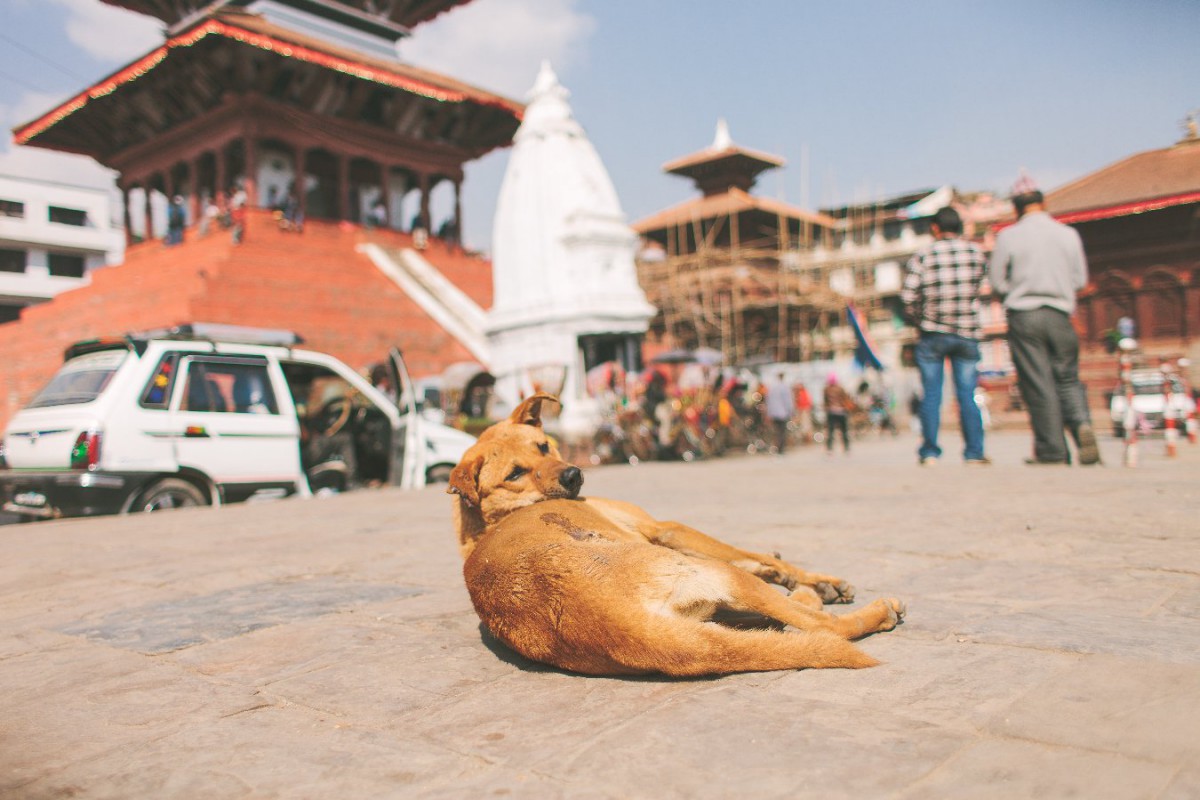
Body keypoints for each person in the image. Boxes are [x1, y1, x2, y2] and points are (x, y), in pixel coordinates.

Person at [988, 172, 1098, 465]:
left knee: (1038, 383)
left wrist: (1018, 288)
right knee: (1068, 379)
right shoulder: (1067, 234)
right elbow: (1080, 279)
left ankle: (1052, 450)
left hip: (1025, 315)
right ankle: (1082, 425)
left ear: (1016, 206)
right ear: (1043, 202)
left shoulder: (1008, 236)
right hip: (1060, 314)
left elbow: (997, 282)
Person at [900, 206, 990, 466]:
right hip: (967, 332)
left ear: (935, 228)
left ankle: (930, 452)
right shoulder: (975, 253)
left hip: (932, 333)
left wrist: (920, 319)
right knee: (967, 394)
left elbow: (907, 297)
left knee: (931, 395)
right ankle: (974, 452)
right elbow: (979, 287)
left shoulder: (924, 255)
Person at [763, 371, 796, 454]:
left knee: (776, 431)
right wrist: (791, 411)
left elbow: (768, 401)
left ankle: (776, 446)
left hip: (773, 413)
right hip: (783, 413)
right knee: (782, 431)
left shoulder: (772, 387)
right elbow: (788, 401)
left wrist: (769, 412)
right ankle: (781, 449)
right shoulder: (785, 387)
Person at [823, 373, 853, 454]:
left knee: (830, 431)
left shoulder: (826, 389)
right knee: (844, 431)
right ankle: (846, 448)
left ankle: (829, 449)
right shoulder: (840, 389)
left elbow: (825, 402)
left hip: (831, 412)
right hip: (841, 412)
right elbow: (846, 398)